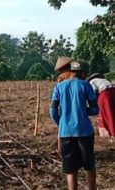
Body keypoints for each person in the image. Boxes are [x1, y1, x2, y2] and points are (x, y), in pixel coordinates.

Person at [50, 61, 99, 190]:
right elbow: (95, 110)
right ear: (83, 73)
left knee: (71, 170)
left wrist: (62, 122)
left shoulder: (59, 87)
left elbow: (53, 111)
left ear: (71, 71)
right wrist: (83, 110)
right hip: (85, 132)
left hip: (66, 132)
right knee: (90, 166)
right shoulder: (86, 85)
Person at [87, 73, 115, 137]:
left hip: (105, 94)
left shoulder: (91, 82)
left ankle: (112, 132)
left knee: (107, 112)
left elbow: (93, 94)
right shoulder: (104, 80)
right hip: (113, 91)